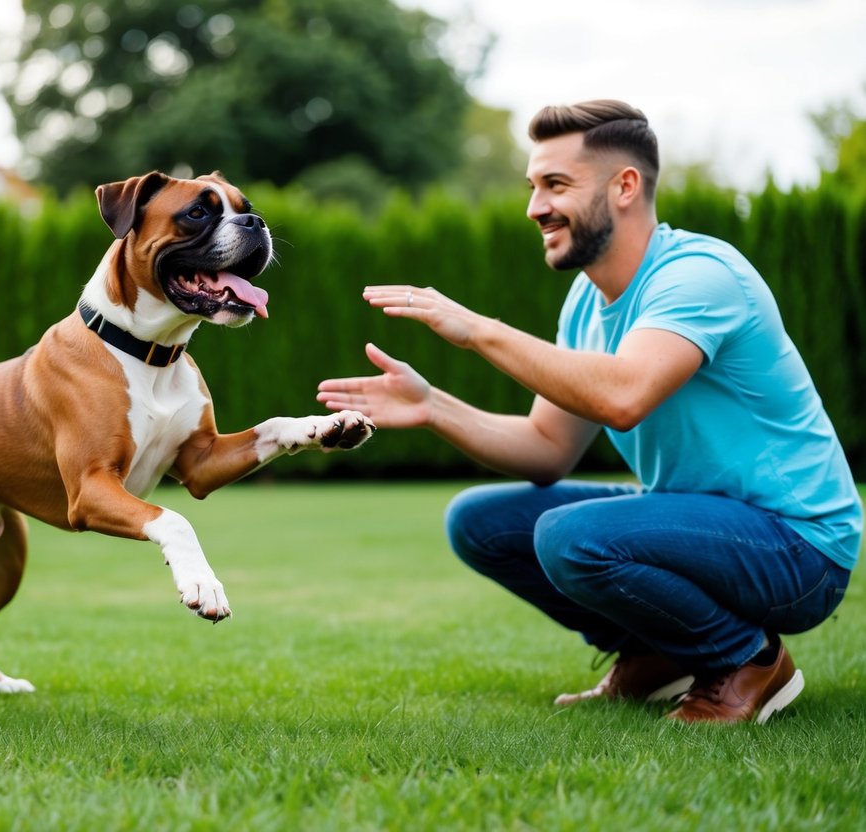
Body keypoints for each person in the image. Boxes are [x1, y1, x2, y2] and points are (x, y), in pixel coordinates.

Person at [316, 99, 860, 724]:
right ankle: (659, 652)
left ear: (624, 186)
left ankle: (747, 660)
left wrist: (476, 330)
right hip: (702, 525)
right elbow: (547, 447)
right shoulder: (585, 299)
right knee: (480, 521)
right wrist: (433, 405)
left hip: (799, 547)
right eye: (532, 186)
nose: (534, 207)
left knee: (571, 536)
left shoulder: (699, 275)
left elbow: (623, 397)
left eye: (556, 185)